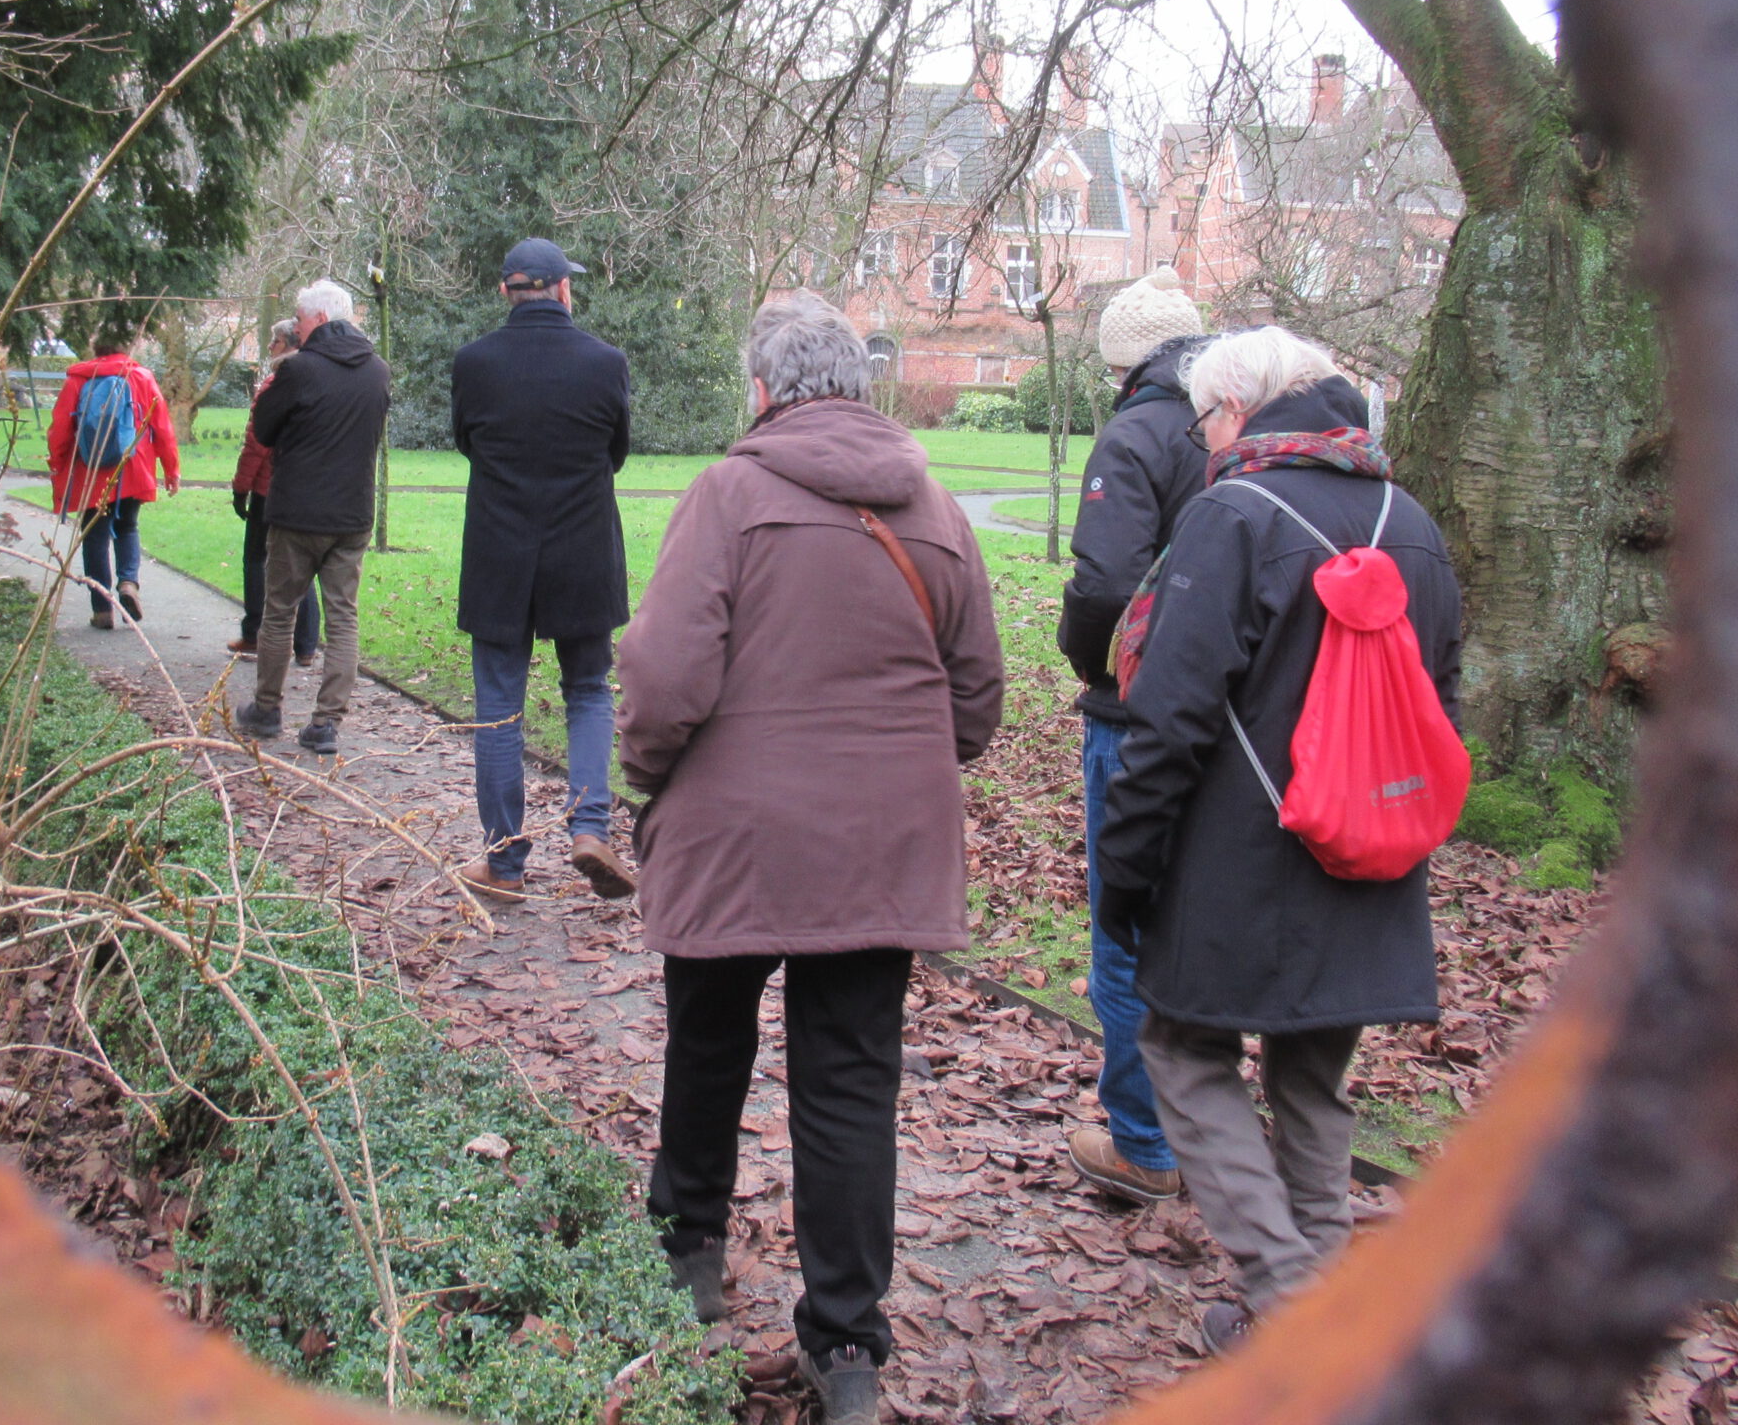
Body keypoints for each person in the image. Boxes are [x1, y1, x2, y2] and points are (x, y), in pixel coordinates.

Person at [619, 292, 1003, 1425]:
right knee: (849, 1089)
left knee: (707, 1044)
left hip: (736, 836)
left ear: (763, 388)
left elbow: (664, 677)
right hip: (880, 850)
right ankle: (846, 1346)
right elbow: (976, 696)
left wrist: (649, 775)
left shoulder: (730, 494)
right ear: (861, 384)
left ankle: (689, 1250)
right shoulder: (932, 508)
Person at [1094, 326, 1462, 1354]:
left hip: (1240, 870)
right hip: (1369, 860)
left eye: (1208, 417)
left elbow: (1165, 725)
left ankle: (1291, 1301)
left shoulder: (1235, 517)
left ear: (1244, 410)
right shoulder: (1414, 522)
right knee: (1311, 1080)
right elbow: (1443, 708)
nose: (1202, 439)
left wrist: (1123, 873)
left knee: (1182, 1051)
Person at [1054, 268, 1206, 1208]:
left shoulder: (1137, 433)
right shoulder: (1235, 425)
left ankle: (1143, 1141)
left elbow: (1105, 583)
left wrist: (1090, 663)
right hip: (1227, 717)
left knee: (1125, 924)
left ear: (1123, 362)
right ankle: (1200, 1127)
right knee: (1197, 925)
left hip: (1137, 714)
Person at [448, 237, 637, 902]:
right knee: (588, 689)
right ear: (562, 291)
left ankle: (503, 863)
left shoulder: (473, 364)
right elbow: (616, 451)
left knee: (499, 709)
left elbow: (467, 442)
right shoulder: (605, 363)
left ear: (506, 292)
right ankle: (591, 829)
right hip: (582, 553)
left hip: (500, 556)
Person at [234, 280, 390, 756]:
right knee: (343, 617)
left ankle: (266, 709)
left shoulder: (298, 370)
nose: (295, 325)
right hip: (352, 514)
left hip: (299, 512)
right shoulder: (378, 371)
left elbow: (264, 426)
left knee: (279, 612)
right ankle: (326, 723)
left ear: (319, 318)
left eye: (299, 318)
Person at [46, 326, 180, 630]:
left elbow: (60, 429)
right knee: (127, 526)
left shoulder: (78, 380)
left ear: (96, 348)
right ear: (127, 349)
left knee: (95, 535)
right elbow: (162, 426)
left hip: (92, 470)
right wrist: (171, 469)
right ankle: (129, 582)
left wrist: (56, 462)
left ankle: (102, 609)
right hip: (133, 465)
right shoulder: (141, 377)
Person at [228, 318, 322, 666]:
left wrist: (241, 488)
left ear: (290, 345)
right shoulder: (317, 379)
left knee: (256, 560)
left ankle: (254, 633)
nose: (270, 349)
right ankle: (307, 643)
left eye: (274, 342)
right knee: (302, 564)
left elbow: (257, 443)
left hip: (270, 490)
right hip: (305, 489)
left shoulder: (275, 383)